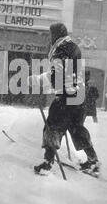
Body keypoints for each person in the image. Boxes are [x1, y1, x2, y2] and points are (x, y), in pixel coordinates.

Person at [29, 23, 100, 175]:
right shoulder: (73, 47)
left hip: (66, 96)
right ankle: (93, 161)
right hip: (78, 96)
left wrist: (38, 82)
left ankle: (47, 164)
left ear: (56, 35)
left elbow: (57, 76)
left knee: (52, 126)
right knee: (76, 128)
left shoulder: (60, 49)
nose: (50, 37)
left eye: (51, 34)